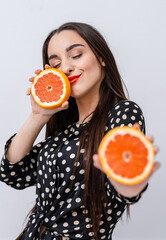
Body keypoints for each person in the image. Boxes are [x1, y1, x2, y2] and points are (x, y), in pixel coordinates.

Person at [0, 22, 160, 240]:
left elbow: (122, 182)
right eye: (55, 64)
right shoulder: (63, 132)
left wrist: (129, 183)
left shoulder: (121, 112)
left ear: (102, 58)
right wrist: (38, 116)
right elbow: (12, 173)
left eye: (76, 55)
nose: (65, 68)